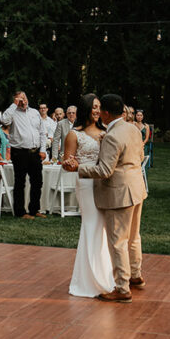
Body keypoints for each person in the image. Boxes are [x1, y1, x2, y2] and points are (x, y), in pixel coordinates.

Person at [64, 93, 146, 303]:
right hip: (137, 188)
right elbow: (139, 157)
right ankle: (135, 276)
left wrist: (79, 168)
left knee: (118, 241)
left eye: (101, 109)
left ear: (107, 113)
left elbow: (105, 170)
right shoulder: (133, 129)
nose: (98, 112)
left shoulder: (110, 135)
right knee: (134, 237)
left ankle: (122, 288)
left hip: (119, 191)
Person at [62, 93, 114, 298]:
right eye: (94, 107)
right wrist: (70, 164)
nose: (97, 111)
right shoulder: (74, 134)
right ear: (86, 109)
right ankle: (89, 281)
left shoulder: (106, 131)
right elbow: (68, 164)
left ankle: (106, 275)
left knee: (103, 228)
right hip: (85, 184)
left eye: (99, 107)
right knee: (91, 225)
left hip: (105, 182)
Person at [0, 91, 47, 218]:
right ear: (15, 101)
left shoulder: (35, 112)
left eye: (24, 98)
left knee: (37, 181)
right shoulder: (12, 112)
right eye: (19, 99)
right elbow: (4, 120)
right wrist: (14, 105)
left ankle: (34, 209)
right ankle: (20, 212)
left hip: (35, 152)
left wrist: (43, 149)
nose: (23, 101)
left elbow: (42, 132)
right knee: (20, 182)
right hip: (19, 152)